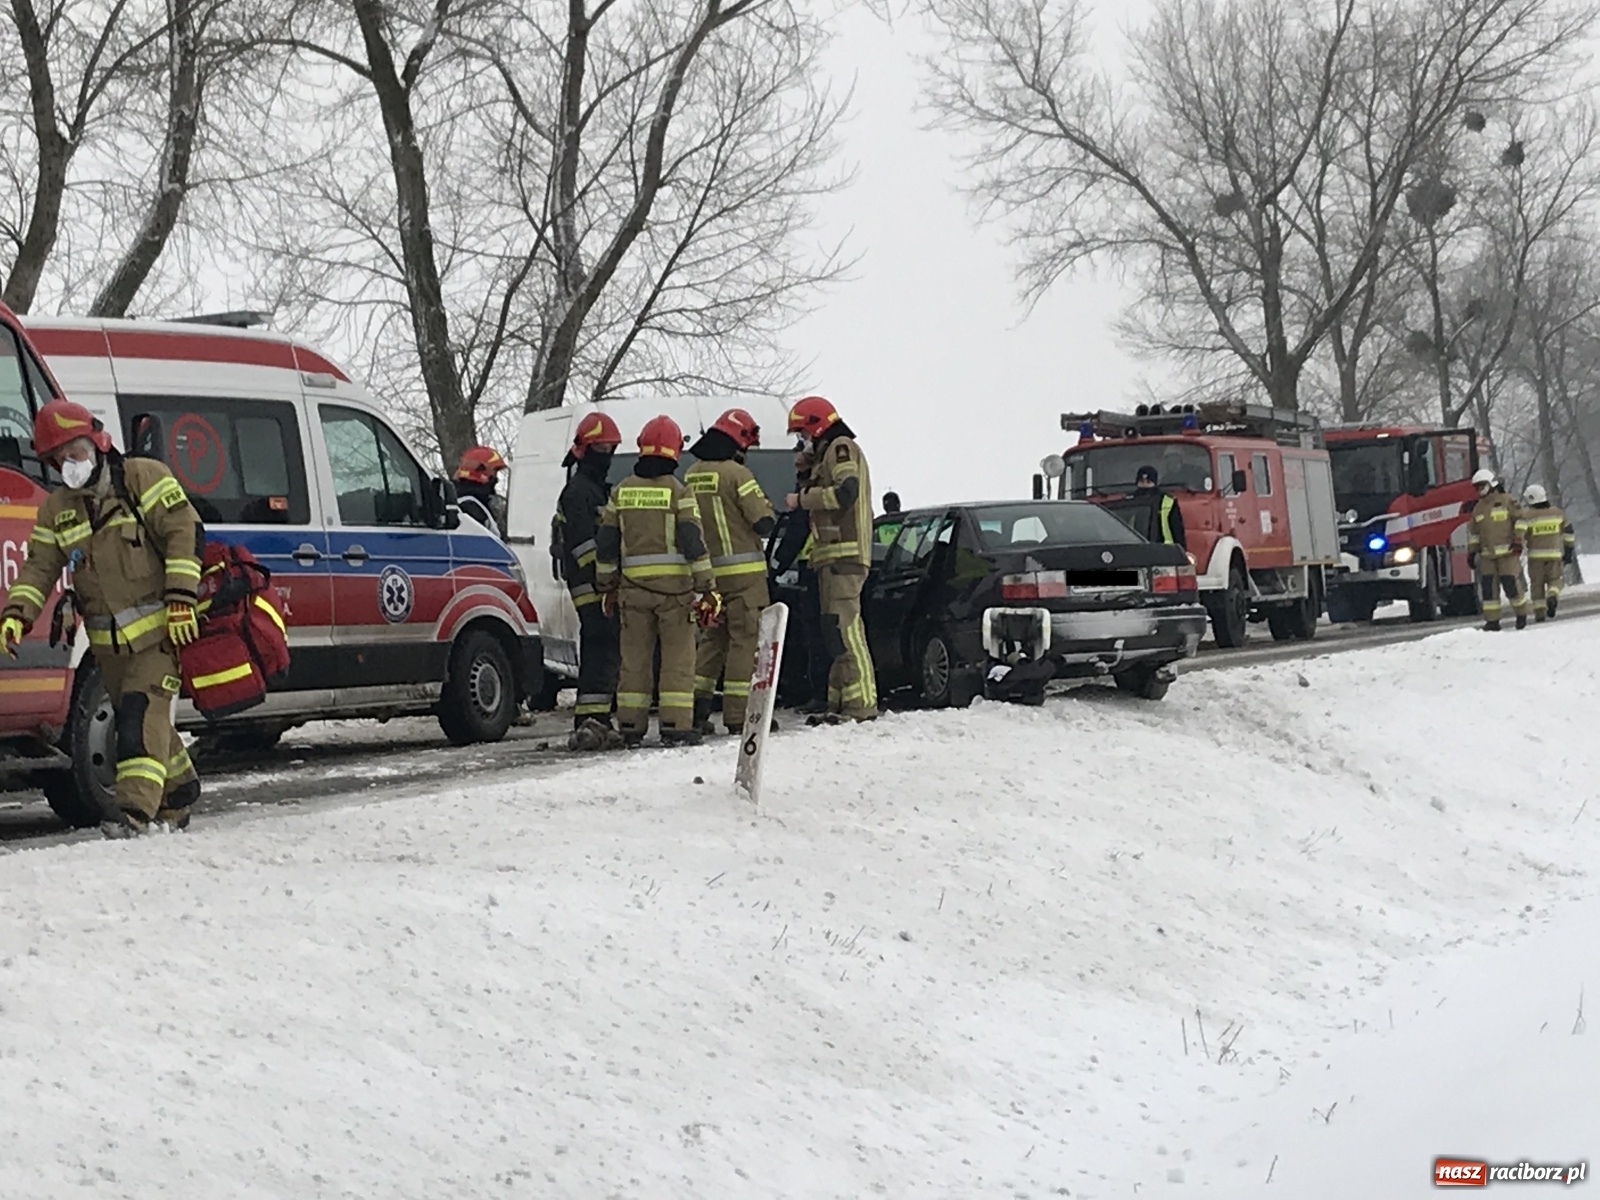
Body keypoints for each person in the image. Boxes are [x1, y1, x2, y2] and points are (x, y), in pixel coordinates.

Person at [1, 400, 203, 836]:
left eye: (72, 453)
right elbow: (38, 568)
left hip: (159, 638)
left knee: (135, 720)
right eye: (56, 459)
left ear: (96, 442)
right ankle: (179, 789)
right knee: (147, 725)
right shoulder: (58, 509)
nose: (65, 465)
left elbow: (183, 533)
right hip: (107, 645)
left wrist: (182, 598)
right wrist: (17, 615)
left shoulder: (142, 478)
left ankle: (133, 815)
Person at [594, 415, 718, 747]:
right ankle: (675, 725)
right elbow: (693, 543)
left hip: (633, 593)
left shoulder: (621, 492)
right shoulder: (679, 492)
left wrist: (607, 586)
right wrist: (707, 587)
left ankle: (631, 725)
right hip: (675, 594)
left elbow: (606, 545)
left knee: (634, 659)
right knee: (678, 659)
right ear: (675, 451)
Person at [784, 395, 877, 724]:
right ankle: (841, 703)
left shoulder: (841, 448)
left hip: (845, 556)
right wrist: (807, 472)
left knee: (847, 630)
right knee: (833, 631)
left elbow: (844, 492)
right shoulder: (827, 456)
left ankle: (862, 704)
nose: (803, 442)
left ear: (816, 426)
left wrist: (802, 498)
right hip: (831, 559)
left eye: (803, 435)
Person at [687, 408, 776, 735]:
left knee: (712, 640)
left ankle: (696, 710)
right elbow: (763, 520)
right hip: (745, 577)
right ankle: (739, 716)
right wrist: (769, 505)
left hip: (709, 576)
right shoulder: (738, 476)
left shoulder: (692, 473)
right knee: (744, 641)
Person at [554, 413, 624, 750]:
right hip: (590, 584)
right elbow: (583, 545)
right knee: (599, 643)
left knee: (605, 647)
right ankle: (589, 720)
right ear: (586, 450)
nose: (608, 455)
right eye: (604, 448)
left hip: (600, 583)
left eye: (611, 449)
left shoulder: (594, 488)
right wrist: (606, 580)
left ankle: (596, 718)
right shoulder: (578, 492)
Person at [768, 447, 831, 712]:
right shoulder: (813, 489)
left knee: (816, 635)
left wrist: (774, 567)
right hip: (817, 566)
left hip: (815, 568)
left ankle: (819, 694)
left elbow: (796, 531)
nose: (795, 462)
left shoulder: (808, 496)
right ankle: (818, 692)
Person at [1467, 468, 1528, 631]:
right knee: (1489, 590)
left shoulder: (1507, 501)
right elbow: (1474, 533)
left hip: (1508, 553)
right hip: (1487, 556)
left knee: (1510, 585)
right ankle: (1492, 621)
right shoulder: (1478, 508)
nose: (1480, 490)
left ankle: (1521, 614)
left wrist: (1517, 540)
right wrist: (1472, 551)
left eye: (1482, 485)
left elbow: (1521, 520)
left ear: (1491, 484)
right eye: (1477, 487)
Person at [1517, 484, 1576, 622]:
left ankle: (1540, 614)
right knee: (1555, 581)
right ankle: (1552, 595)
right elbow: (1569, 533)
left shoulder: (1527, 515)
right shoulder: (1557, 513)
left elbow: (1519, 533)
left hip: (1535, 558)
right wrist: (1568, 552)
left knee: (1536, 586)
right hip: (1554, 556)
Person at [455, 445, 508, 535]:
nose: (496, 478)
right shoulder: (471, 507)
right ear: (481, 470)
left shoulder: (461, 500)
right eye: (494, 471)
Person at [1135, 465, 1186, 548]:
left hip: (1165, 550)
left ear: (1155, 483)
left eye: (1148, 482)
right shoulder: (1129, 501)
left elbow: (1177, 531)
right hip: (1136, 548)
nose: (1144, 485)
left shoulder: (1168, 501)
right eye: (1141, 482)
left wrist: (1182, 552)